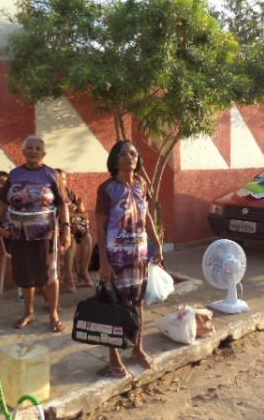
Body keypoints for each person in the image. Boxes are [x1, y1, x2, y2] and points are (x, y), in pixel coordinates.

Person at [0, 135, 71, 332]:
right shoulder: (14, 175)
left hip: (46, 235)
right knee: (25, 274)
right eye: (29, 148)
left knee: (50, 273)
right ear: (23, 152)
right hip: (20, 235)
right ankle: (29, 312)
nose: (33, 151)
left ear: (44, 153)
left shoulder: (52, 175)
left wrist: (66, 229)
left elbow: (62, 204)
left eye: (37, 148)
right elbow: (3, 203)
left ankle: (53, 314)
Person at [96, 140, 163, 377]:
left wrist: (156, 244)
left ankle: (138, 348)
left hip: (140, 256)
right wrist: (103, 262)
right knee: (113, 308)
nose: (128, 157)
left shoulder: (141, 184)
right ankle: (113, 356)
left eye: (133, 153)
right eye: (123, 154)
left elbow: (147, 218)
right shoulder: (107, 188)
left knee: (138, 304)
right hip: (115, 259)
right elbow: (100, 226)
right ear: (115, 160)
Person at [57, 169, 94, 292]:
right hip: (57, 229)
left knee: (87, 237)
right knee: (71, 240)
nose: (61, 182)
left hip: (74, 226)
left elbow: (82, 213)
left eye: (63, 179)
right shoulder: (50, 193)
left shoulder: (70, 192)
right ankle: (68, 277)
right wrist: (67, 209)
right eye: (58, 179)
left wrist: (78, 206)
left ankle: (83, 271)